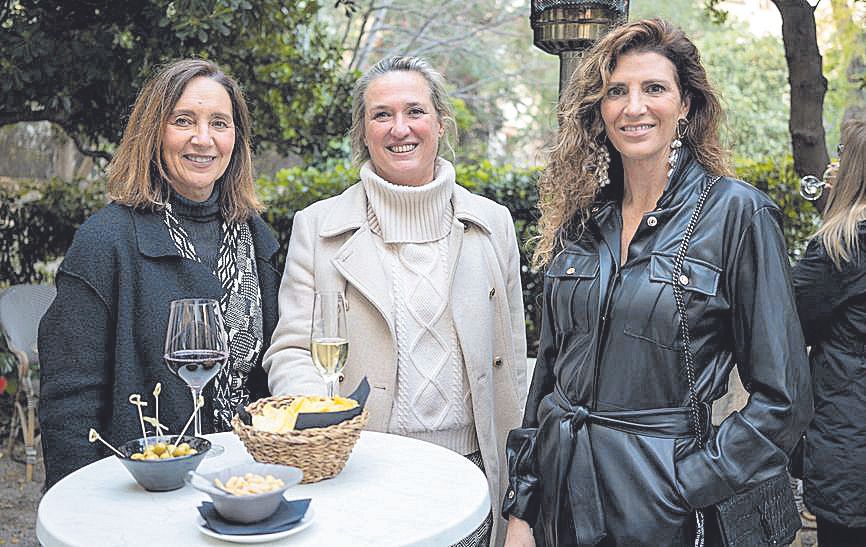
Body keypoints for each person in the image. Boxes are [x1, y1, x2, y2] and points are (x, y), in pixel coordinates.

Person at [502, 19, 812, 547]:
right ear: (599, 110)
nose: (633, 106)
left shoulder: (736, 215)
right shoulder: (581, 225)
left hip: (664, 513)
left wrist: (690, 478)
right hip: (563, 499)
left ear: (685, 104)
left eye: (654, 88)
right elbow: (550, 375)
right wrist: (522, 507)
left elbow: (784, 398)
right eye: (616, 91)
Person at [263, 56, 527, 546]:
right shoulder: (317, 227)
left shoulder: (494, 225)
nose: (399, 128)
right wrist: (326, 421)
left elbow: (513, 363)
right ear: (363, 131)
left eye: (415, 112)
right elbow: (291, 350)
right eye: (381, 114)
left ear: (441, 124)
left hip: (472, 476)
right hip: (365, 474)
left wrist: (524, 504)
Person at [38, 59, 280, 488]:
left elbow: (266, 377)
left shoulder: (256, 237)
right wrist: (78, 509)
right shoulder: (105, 242)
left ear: (236, 139)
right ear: (153, 131)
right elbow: (69, 406)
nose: (202, 139)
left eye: (219, 123)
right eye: (183, 120)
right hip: (145, 486)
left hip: (245, 479)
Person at [792, 119, 866, 547]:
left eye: (841, 154)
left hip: (851, 446)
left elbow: (790, 319)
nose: (831, 164)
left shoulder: (843, 245)